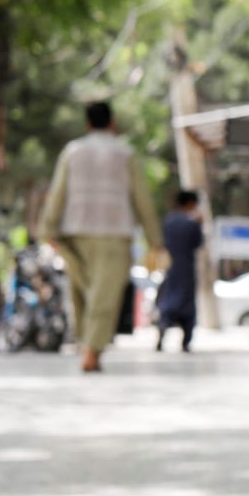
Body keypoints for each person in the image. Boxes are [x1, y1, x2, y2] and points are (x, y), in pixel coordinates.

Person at [41, 101, 165, 373]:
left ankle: (88, 345)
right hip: (113, 233)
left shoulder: (72, 152)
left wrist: (48, 228)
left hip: (76, 231)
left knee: (83, 292)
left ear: (87, 123)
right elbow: (141, 198)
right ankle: (91, 351)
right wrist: (154, 238)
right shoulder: (124, 154)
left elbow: (57, 191)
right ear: (113, 122)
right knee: (103, 294)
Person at [155, 190, 206, 353]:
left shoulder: (169, 221)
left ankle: (162, 332)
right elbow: (198, 243)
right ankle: (185, 342)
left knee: (168, 302)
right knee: (187, 306)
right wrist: (199, 224)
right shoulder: (191, 223)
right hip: (186, 269)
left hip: (170, 268)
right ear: (191, 203)